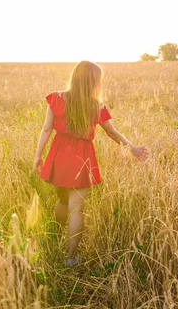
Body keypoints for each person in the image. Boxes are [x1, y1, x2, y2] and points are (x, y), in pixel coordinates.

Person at [33, 61, 149, 267]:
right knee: (76, 209)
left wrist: (38, 156)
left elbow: (46, 129)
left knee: (61, 200)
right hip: (82, 158)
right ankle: (70, 258)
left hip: (59, 155)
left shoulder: (57, 98)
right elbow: (112, 132)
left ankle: (54, 239)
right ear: (95, 82)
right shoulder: (96, 106)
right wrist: (132, 148)